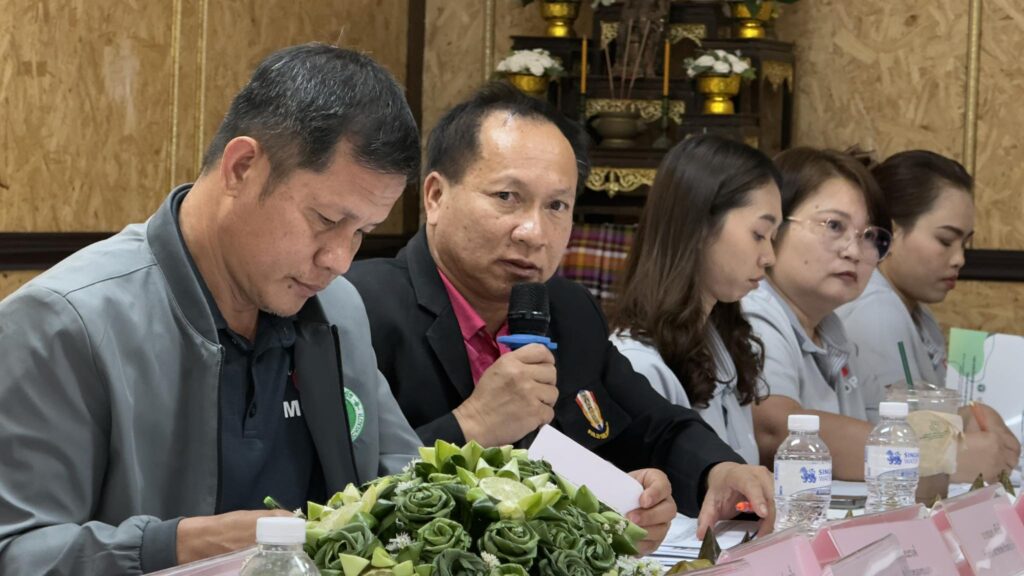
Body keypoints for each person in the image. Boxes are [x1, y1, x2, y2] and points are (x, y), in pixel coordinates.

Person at [0, 44, 423, 575]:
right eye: (325, 219)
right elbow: (15, 551)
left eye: (362, 231)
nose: (339, 259)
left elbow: (401, 482)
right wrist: (174, 547)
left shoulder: (337, 308)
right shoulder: (65, 320)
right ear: (242, 167)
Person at [346, 82, 776, 550]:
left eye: (556, 206)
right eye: (507, 196)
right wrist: (471, 425)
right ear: (435, 196)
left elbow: (653, 425)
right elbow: (333, 491)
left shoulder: (568, 309)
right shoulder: (358, 310)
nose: (534, 232)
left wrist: (718, 470)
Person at [837, 150, 1019, 479]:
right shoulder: (874, 310)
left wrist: (969, 416)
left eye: (964, 244)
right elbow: (895, 443)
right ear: (888, 235)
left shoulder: (917, 312)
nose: (959, 259)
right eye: (945, 240)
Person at [609, 135, 783, 467]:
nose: (769, 256)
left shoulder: (720, 343)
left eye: (773, 238)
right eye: (759, 234)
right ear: (700, 225)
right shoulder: (639, 366)